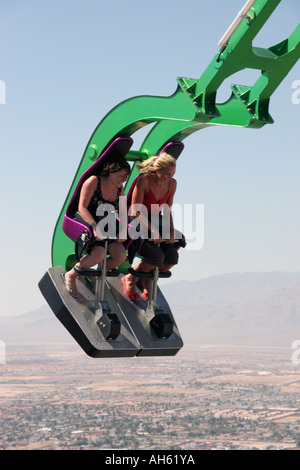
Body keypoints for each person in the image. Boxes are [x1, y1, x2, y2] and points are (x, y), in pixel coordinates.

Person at [63, 155, 130, 298]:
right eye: (121, 175)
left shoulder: (120, 189)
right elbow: (82, 208)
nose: (123, 180)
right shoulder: (93, 181)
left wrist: (123, 230)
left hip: (106, 223)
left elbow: (123, 211)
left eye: (126, 177)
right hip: (87, 221)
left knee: (120, 256)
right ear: (111, 171)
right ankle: (71, 275)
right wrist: (94, 226)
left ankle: (93, 273)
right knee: (99, 254)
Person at [121, 152, 179, 301]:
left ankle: (145, 279)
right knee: (156, 256)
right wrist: (152, 230)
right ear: (157, 170)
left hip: (157, 221)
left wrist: (171, 230)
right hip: (138, 221)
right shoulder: (144, 180)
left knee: (171, 258)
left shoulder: (172, 184)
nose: (169, 177)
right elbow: (135, 210)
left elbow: (167, 209)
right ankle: (131, 277)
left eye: (172, 173)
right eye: (166, 173)